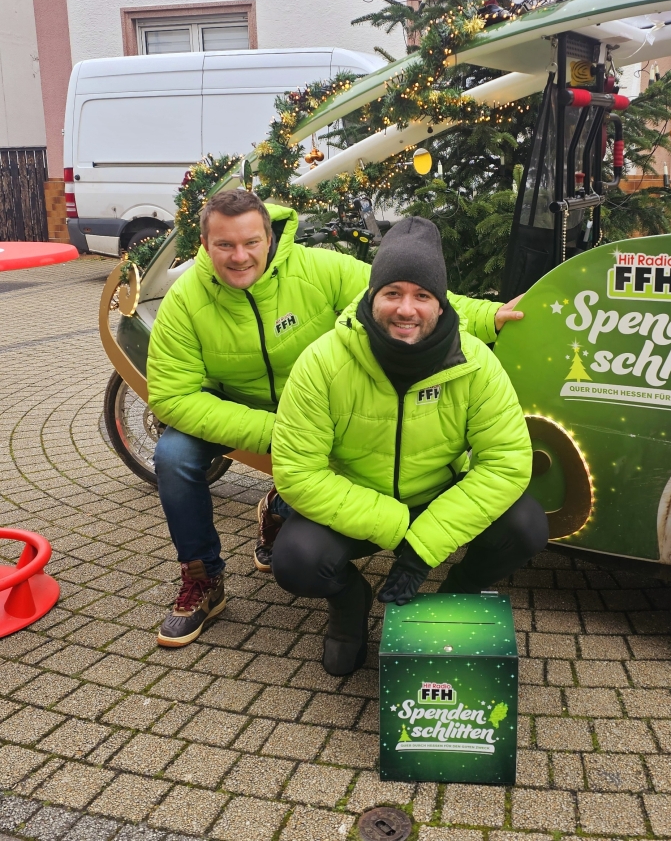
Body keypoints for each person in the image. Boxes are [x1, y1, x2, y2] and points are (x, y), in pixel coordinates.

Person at [147, 191, 523, 648]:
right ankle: (203, 576)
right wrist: (275, 433)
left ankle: (282, 510)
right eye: (225, 245)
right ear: (206, 245)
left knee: (318, 476)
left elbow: (401, 293)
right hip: (242, 410)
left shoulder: (318, 269)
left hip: (320, 404)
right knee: (173, 456)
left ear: (269, 239)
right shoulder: (185, 300)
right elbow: (172, 396)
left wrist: (490, 315)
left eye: (250, 242)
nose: (239, 256)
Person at [270, 217, 548, 676]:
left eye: (422, 295)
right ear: (371, 296)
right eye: (392, 292)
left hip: (437, 496)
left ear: (440, 304)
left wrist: (424, 548)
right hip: (356, 499)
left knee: (526, 526)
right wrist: (398, 528)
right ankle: (349, 603)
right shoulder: (322, 362)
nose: (406, 309)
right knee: (297, 562)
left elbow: (506, 463)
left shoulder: (476, 363)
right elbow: (298, 473)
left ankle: (454, 597)